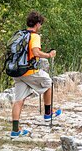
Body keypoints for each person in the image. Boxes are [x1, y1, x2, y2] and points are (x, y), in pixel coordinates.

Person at [10, 10, 62, 138]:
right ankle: (48, 113)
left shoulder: (20, 34)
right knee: (48, 82)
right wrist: (49, 55)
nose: (40, 27)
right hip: (29, 71)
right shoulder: (34, 37)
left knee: (18, 100)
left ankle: (15, 130)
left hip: (17, 72)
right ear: (37, 24)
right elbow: (36, 52)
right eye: (41, 24)